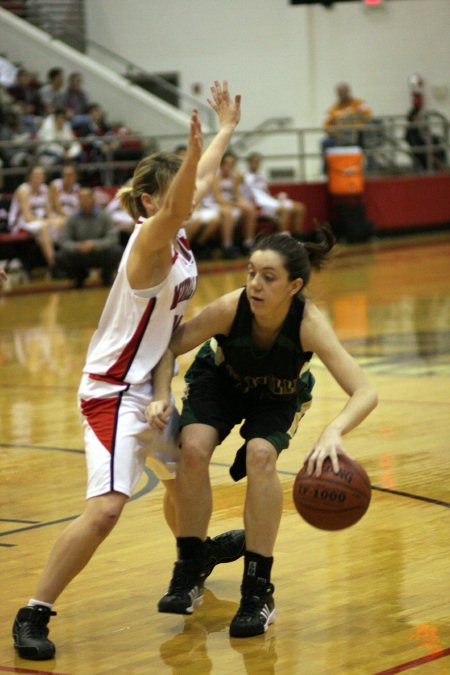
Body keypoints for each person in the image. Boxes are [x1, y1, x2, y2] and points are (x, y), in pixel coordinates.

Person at [12, 80, 245, 661]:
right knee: (107, 509)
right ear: (149, 203)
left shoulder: (182, 234)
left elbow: (199, 185)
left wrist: (222, 133)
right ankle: (33, 610)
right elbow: (180, 199)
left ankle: (192, 554)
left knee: (183, 471)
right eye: (178, 195)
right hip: (113, 393)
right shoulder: (150, 241)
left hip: (149, 384)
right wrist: (192, 156)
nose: (192, 198)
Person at [147, 228, 378, 637]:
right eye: (252, 272)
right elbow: (167, 347)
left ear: (295, 286)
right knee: (194, 448)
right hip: (221, 380)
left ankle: (257, 591)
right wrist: (161, 395)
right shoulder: (228, 309)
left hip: (277, 394)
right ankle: (188, 569)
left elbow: (365, 390)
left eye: (268, 277)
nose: (255, 283)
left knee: (260, 455)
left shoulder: (307, 323)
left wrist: (333, 430)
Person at [53, 185, 122, 288]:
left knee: (117, 251)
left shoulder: (104, 215)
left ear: (93, 199)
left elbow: (113, 238)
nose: (84, 200)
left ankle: (106, 276)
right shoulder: (72, 217)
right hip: (79, 253)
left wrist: (95, 244)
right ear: (78, 200)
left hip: (100, 253)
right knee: (59, 256)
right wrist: (77, 246)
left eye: (87, 197)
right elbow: (63, 240)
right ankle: (79, 277)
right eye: (81, 197)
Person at [7, 164, 65, 268]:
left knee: (62, 222)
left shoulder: (45, 189)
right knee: (43, 228)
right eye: (36, 174)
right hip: (19, 223)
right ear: (29, 176)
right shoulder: (23, 190)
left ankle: (67, 261)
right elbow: (27, 217)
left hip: (39, 220)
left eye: (41, 174)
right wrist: (47, 222)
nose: (39, 177)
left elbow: (49, 212)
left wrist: (54, 221)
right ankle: (54, 265)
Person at [243, 152, 305, 235]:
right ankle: (284, 240)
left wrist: (275, 197)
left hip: (268, 201)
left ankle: (298, 237)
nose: (256, 164)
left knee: (300, 208)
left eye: (258, 162)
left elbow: (265, 194)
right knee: (284, 209)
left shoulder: (261, 176)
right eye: (254, 161)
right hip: (257, 204)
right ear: (248, 162)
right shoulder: (242, 175)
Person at [213, 150, 257, 254]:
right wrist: (236, 204)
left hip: (230, 202)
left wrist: (243, 203)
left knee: (250, 209)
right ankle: (227, 246)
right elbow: (217, 198)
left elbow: (237, 195)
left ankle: (248, 243)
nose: (229, 166)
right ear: (221, 163)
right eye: (227, 163)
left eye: (232, 163)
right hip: (215, 203)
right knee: (227, 213)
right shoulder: (216, 176)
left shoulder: (234, 176)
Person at [321, 82, 372, 170]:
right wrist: (335, 132)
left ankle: (371, 168)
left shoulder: (359, 104)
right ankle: (327, 170)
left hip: (358, 134)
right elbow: (326, 125)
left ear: (348, 91)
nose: (342, 94)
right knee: (325, 142)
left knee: (368, 140)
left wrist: (357, 127)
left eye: (344, 91)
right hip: (339, 137)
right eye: (339, 92)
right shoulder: (333, 109)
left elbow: (368, 116)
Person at [405, 107, 447, 172]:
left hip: (429, 151)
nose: (420, 118)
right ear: (414, 117)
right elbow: (418, 147)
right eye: (418, 116)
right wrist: (434, 159)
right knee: (430, 152)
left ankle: (439, 164)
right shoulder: (411, 131)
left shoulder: (421, 128)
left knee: (437, 145)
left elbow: (428, 138)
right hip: (424, 154)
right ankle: (438, 165)